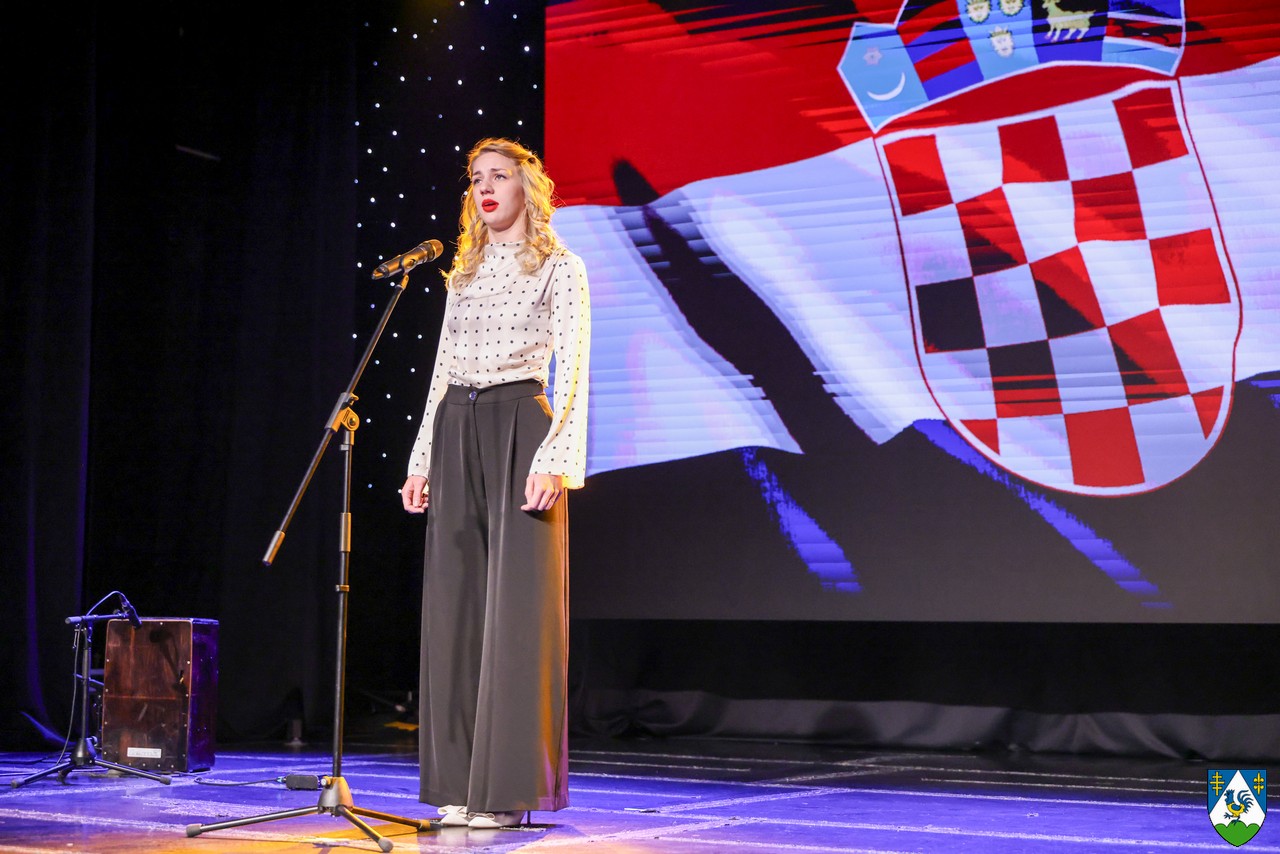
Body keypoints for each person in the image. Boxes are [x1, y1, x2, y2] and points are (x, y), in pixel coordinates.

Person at [401, 137, 590, 829]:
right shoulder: (463, 272)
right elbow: (441, 371)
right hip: (457, 424)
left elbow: (573, 367)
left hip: (520, 427)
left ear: (525, 188)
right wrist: (421, 458)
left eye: (499, 176)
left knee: (518, 612)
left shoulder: (560, 265)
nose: (485, 188)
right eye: (477, 178)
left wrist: (556, 457)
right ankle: (458, 783)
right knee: (454, 610)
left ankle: (507, 790)